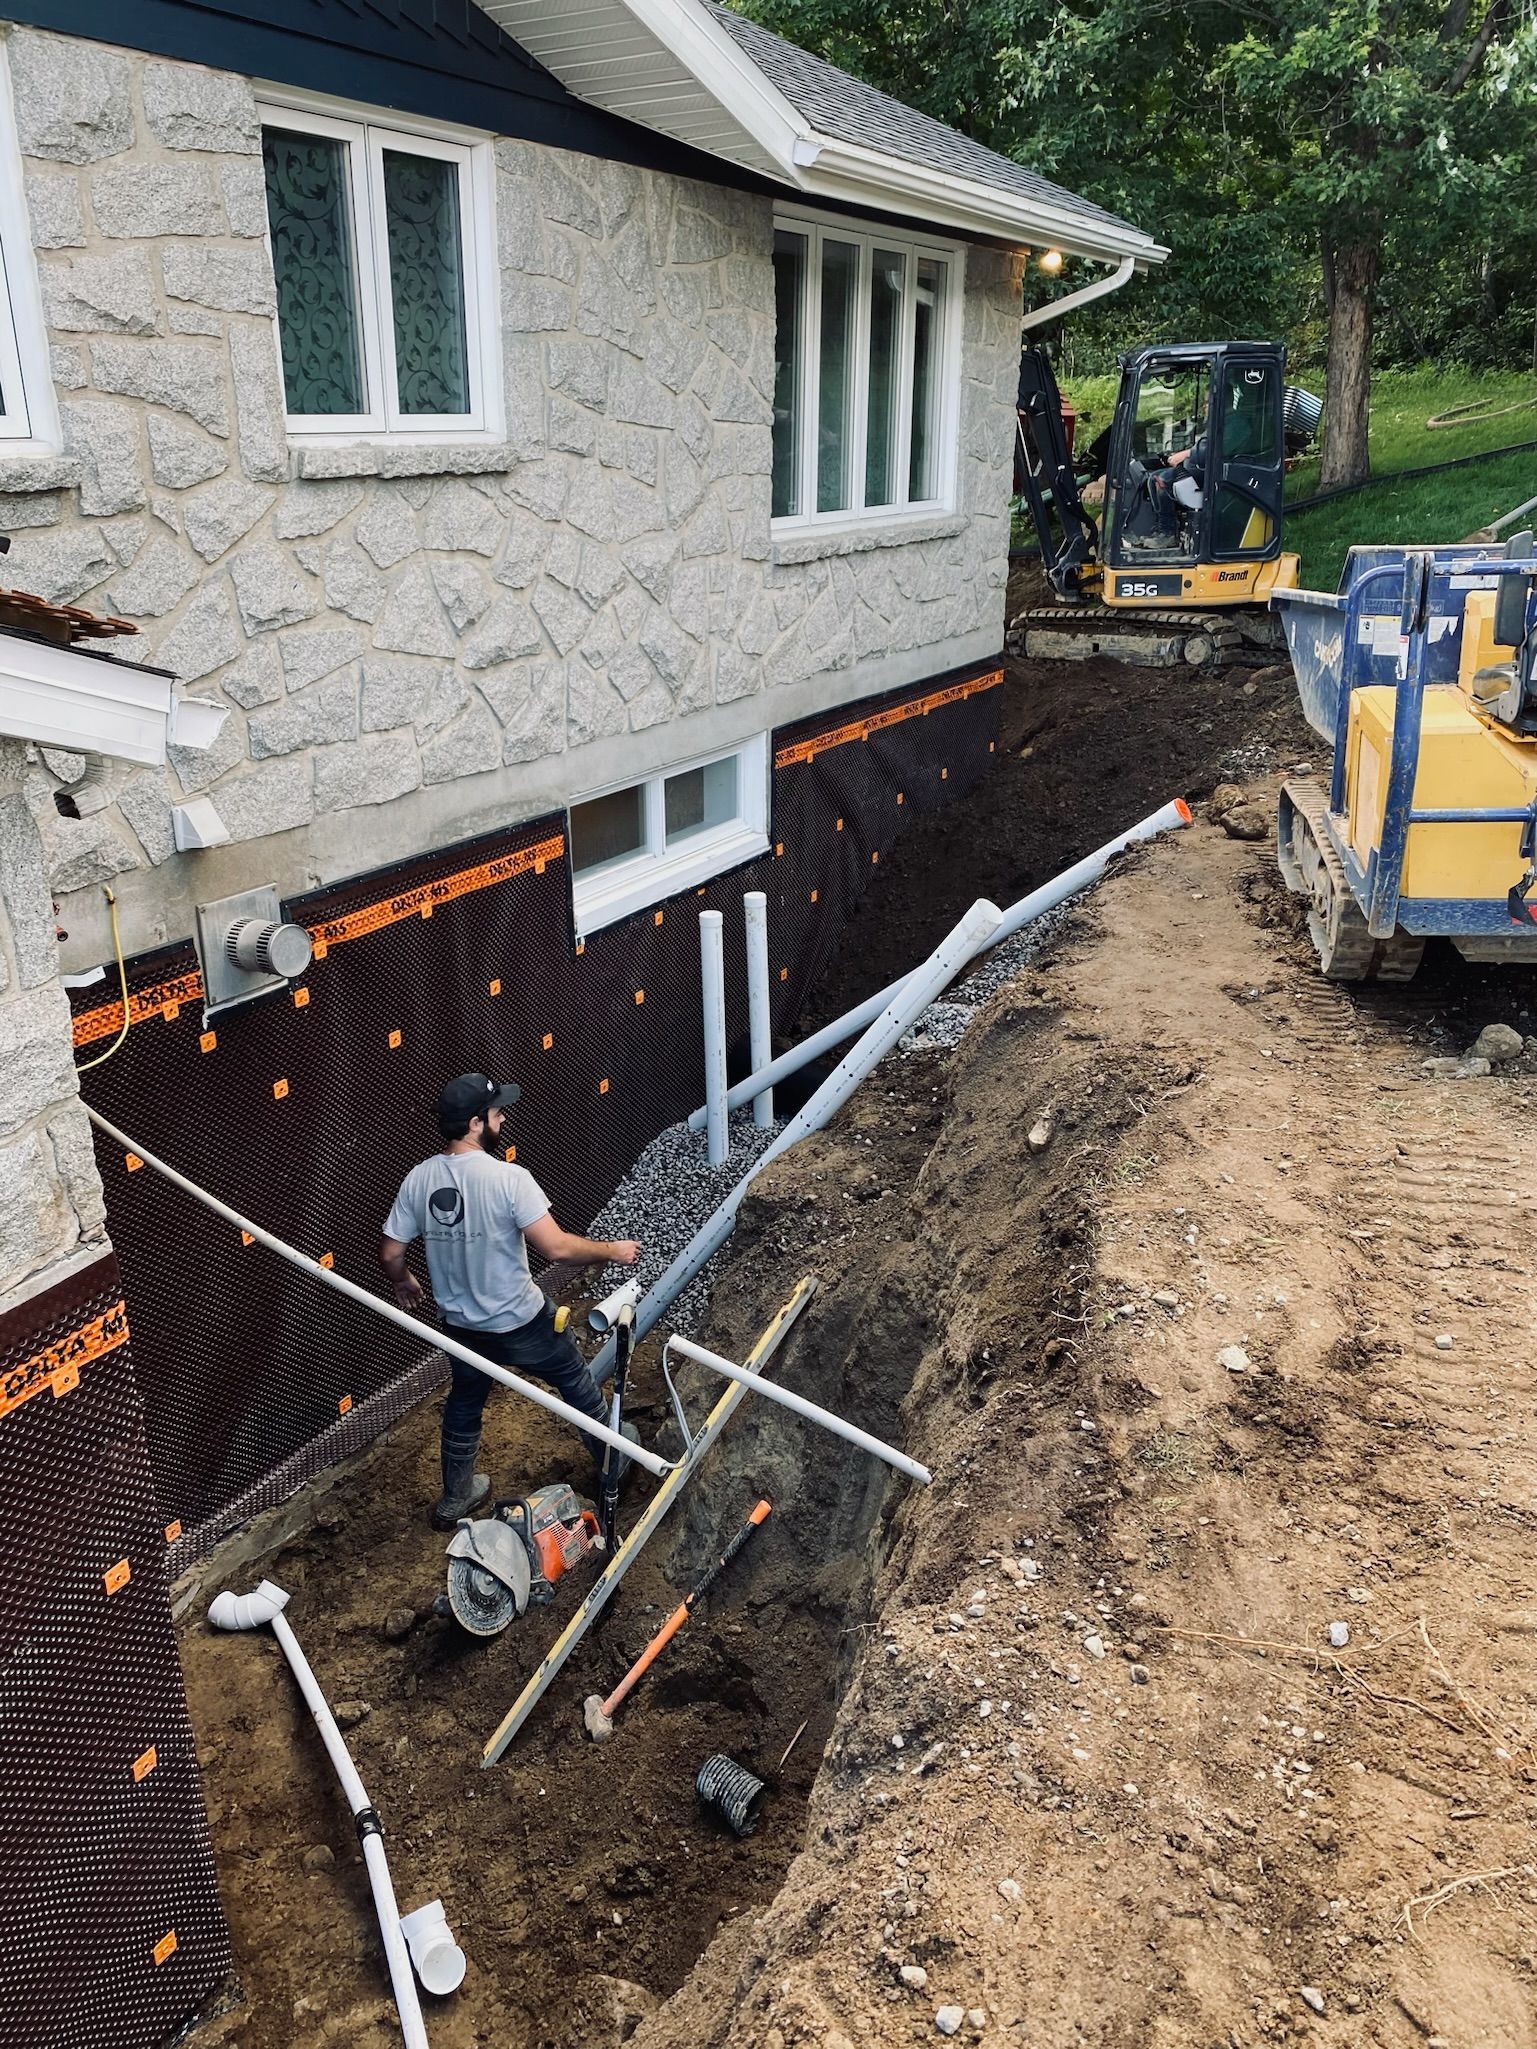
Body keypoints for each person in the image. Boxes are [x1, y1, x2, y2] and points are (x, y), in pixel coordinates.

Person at [380, 1072, 641, 1529]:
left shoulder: (417, 1179)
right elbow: (556, 1248)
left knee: (465, 1401)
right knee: (576, 1384)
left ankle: (456, 1497)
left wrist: (404, 1283)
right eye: (498, 1113)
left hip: (462, 1327)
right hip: (522, 1322)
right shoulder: (509, 1178)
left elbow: (391, 1251)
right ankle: (613, 1461)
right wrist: (611, 1250)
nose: (503, 1120)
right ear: (477, 1124)